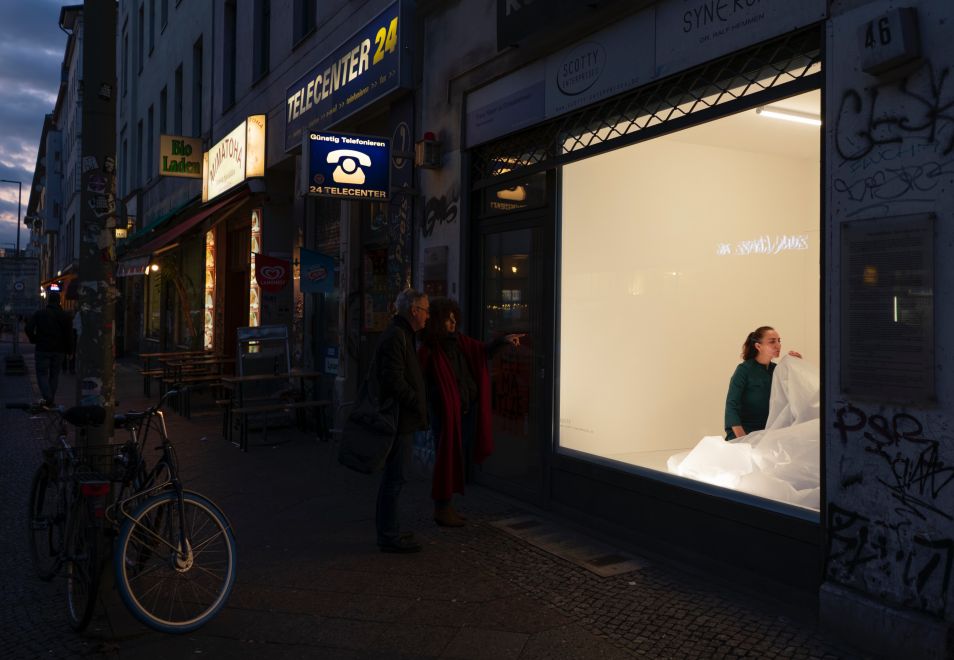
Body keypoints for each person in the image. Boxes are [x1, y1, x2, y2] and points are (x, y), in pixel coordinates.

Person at [418, 297, 522, 527]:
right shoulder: (431, 350)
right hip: (445, 414)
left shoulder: (459, 343)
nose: (453, 323)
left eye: (455, 319)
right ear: (438, 321)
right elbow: (424, 385)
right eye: (448, 320)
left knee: (455, 458)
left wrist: (502, 341)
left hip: (463, 411)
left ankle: (447, 506)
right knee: (447, 458)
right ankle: (442, 508)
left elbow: (483, 350)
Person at [374, 288, 430, 553]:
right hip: (399, 419)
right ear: (414, 311)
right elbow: (394, 379)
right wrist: (416, 402)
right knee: (395, 478)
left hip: (403, 418)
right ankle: (388, 535)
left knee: (396, 478)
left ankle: (391, 530)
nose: (428, 317)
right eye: (426, 311)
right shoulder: (397, 336)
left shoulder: (403, 334)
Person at [724, 326, 801, 440]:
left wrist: (796, 365)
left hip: (768, 433)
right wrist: (743, 440)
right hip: (744, 433)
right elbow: (731, 406)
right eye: (772, 341)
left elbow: (795, 394)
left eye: (779, 341)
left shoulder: (777, 370)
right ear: (758, 346)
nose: (778, 345)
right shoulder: (744, 370)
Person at [25, 290, 74, 405]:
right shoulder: (65, 316)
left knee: (42, 374)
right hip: (59, 350)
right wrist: (70, 350)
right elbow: (69, 335)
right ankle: (50, 399)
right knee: (54, 375)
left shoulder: (40, 314)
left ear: (48, 301)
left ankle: (48, 398)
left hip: (42, 348)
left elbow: (28, 328)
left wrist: (34, 339)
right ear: (59, 302)